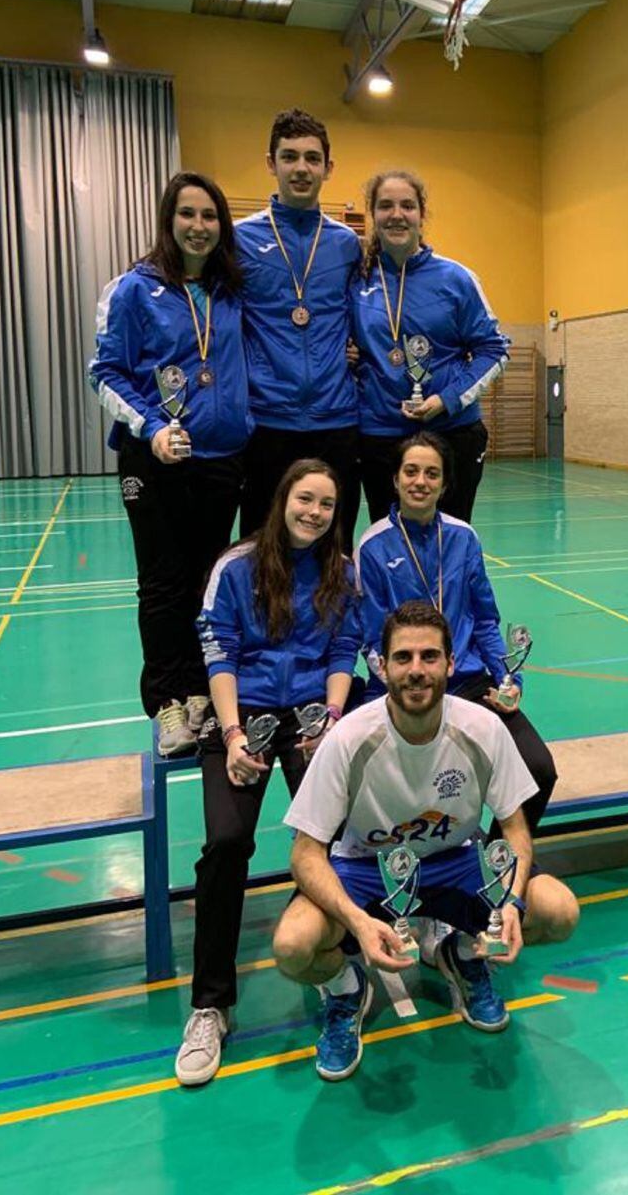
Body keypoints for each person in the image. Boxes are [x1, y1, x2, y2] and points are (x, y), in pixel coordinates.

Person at [273, 601, 579, 1082]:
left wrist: (513, 904)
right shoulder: (350, 738)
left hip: (456, 860)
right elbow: (305, 854)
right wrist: (355, 921)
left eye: (430, 657)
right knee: (293, 946)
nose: (417, 671)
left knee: (559, 911)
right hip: (365, 869)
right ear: (382, 666)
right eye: (404, 658)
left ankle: (462, 954)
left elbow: (515, 830)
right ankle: (345, 987)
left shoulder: (482, 728)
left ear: (451, 664)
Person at [173, 458, 360, 1087]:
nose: (315, 512)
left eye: (328, 504)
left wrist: (332, 718)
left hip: (311, 712)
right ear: (283, 499)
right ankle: (210, 1006)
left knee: (336, 839)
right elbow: (218, 650)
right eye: (306, 499)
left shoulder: (341, 571)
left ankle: (338, 967)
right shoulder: (236, 566)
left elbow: (341, 650)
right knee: (227, 844)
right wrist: (229, 736)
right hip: (240, 713)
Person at [89, 171, 250, 756]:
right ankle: (167, 704)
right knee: (162, 581)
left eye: (209, 216)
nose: (199, 227)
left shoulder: (232, 290)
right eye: (187, 214)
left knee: (209, 580)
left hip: (220, 459)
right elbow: (104, 372)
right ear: (169, 220)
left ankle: (201, 691)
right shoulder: (134, 288)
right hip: (154, 458)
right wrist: (153, 427)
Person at [335, 432, 556, 832]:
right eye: (412, 471)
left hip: (466, 682)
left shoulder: (463, 537)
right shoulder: (372, 546)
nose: (421, 481)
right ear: (396, 479)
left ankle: (498, 861)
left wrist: (509, 679)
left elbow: (486, 621)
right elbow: (371, 639)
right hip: (403, 685)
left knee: (539, 769)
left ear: (444, 484)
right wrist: (398, 679)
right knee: (371, 780)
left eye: (431, 474)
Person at [350, 169, 509, 526]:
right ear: (372, 215)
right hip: (380, 435)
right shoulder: (356, 280)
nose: (396, 214)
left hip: (451, 433)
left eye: (407, 205)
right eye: (385, 205)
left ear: (422, 215)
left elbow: (495, 350)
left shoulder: (456, 279)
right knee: (387, 540)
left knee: (448, 539)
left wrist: (447, 399)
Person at [236, 109, 363, 549]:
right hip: (268, 419)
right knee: (262, 547)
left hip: (337, 419)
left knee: (336, 546)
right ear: (271, 163)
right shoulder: (238, 241)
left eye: (312, 158)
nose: (301, 168)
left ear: (329, 168)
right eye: (289, 157)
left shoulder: (347, 244)